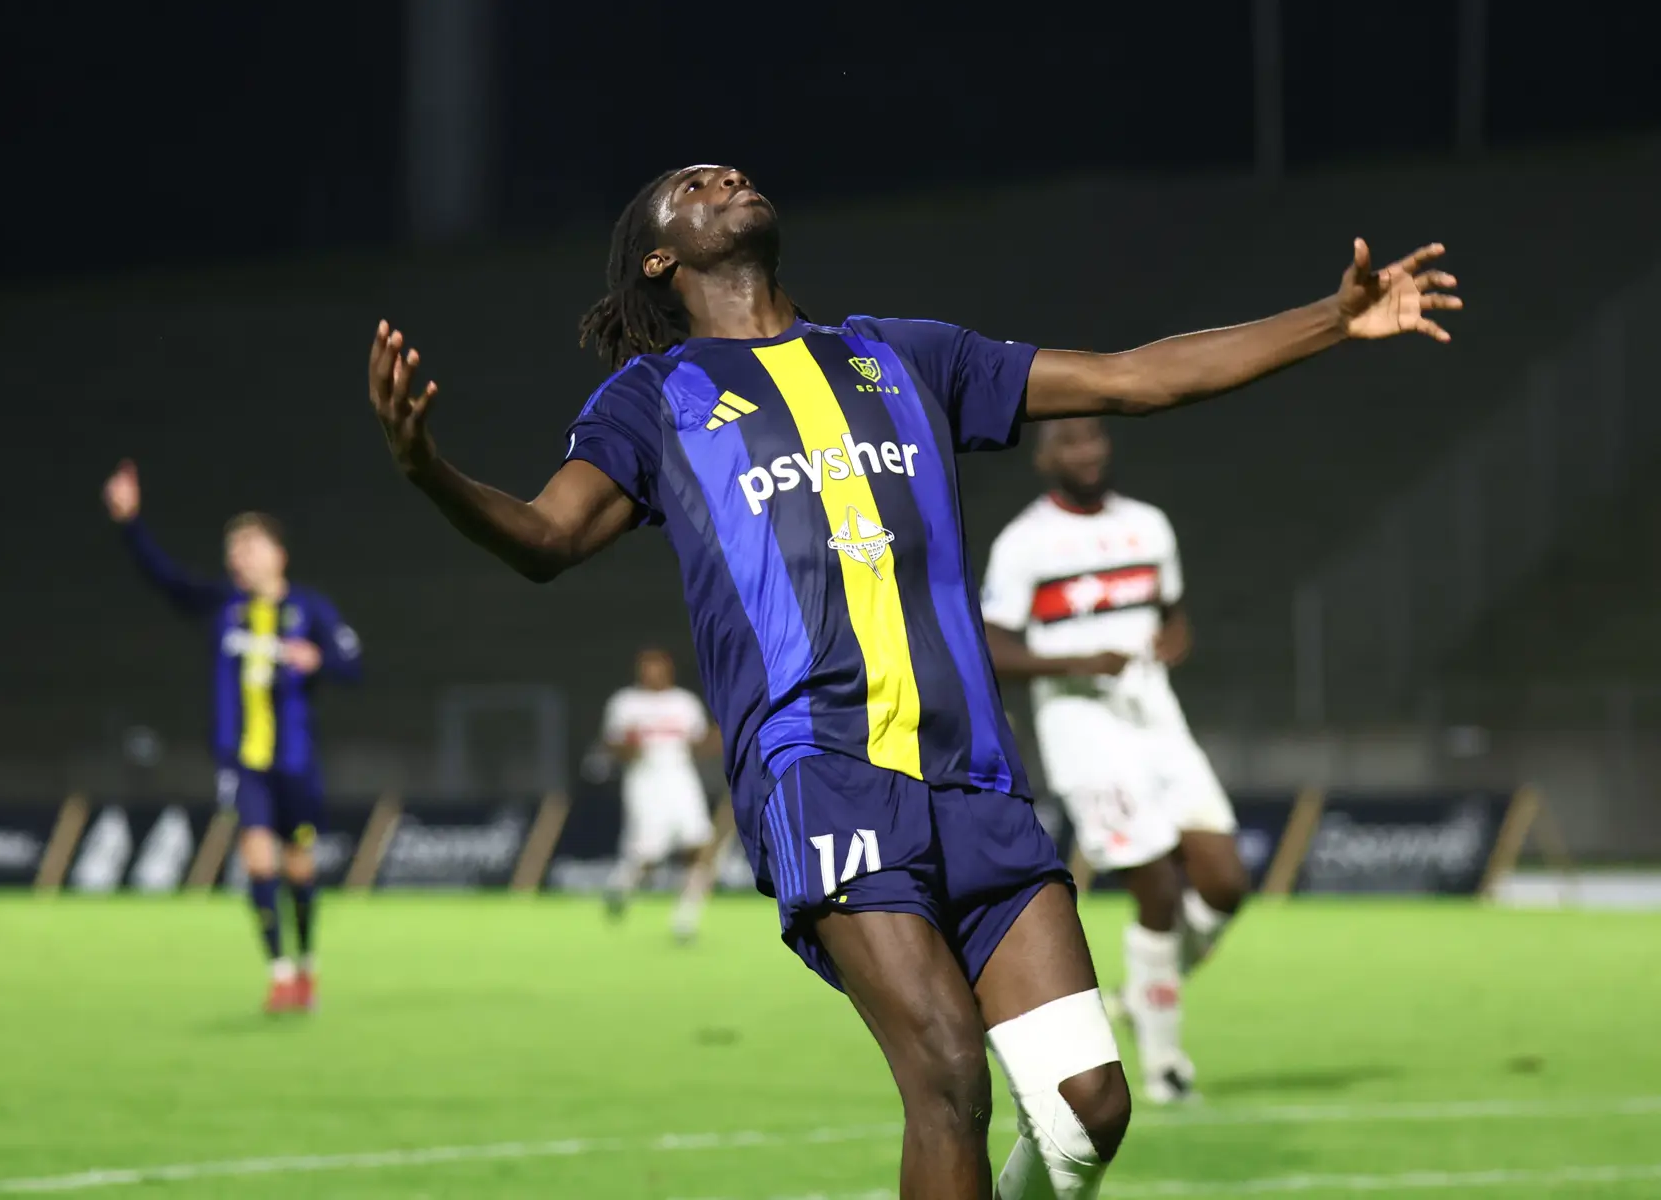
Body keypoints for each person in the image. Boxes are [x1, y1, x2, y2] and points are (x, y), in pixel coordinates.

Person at [365, 164, 1459, 1198]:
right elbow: (546, 538)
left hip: (975, 775)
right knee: (946, 1071)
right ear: (661, 260)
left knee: (1088, 1112)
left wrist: (1332, 319)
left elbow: (1133, 378)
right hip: (822, 771)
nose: (727, 180)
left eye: (731, 172)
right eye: (693, 187)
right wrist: (426, 472)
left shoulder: (900, 355)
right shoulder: (654, 398)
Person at [982, 418, 1247, 1104]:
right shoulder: (1024, 542)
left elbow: (1172, 611)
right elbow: (993, 647)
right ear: (1043, 457)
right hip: (1083, 734)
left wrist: (1176, 639)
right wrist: (1076, 662)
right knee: (1155, 888)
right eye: (1068, 441)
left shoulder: (1148, 525)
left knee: (1224, 882)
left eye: (1094, 437)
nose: (1087, 451)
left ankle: (1142, 993)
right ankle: (1165, 1066)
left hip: (1158, 722)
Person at [103, 461, 362, 1013]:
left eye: (249, 546)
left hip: (296, 761)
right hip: (243, 763)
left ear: (278, 554)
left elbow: (353, 664)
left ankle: (306, 962)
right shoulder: (224, 607)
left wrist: (319, 660)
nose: (238, 557)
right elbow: (166, 579)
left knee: (299, 869)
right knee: (258, 860)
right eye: (233, 549)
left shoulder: (309, 609)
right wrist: (130, 524)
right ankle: (280, 973)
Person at [601, 647, 721, 940]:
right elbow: (613, 747)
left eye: (658, 668)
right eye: (647, 669)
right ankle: (620, 886)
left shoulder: (684, 703)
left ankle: (685, 919)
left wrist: (723, 736)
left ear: (669, 671)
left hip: (681, 778)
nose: (653, 674)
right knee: (649, 852)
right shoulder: (626, 703)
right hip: (644, 779)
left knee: (700, 845)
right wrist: (629, 745)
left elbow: (698, 743)